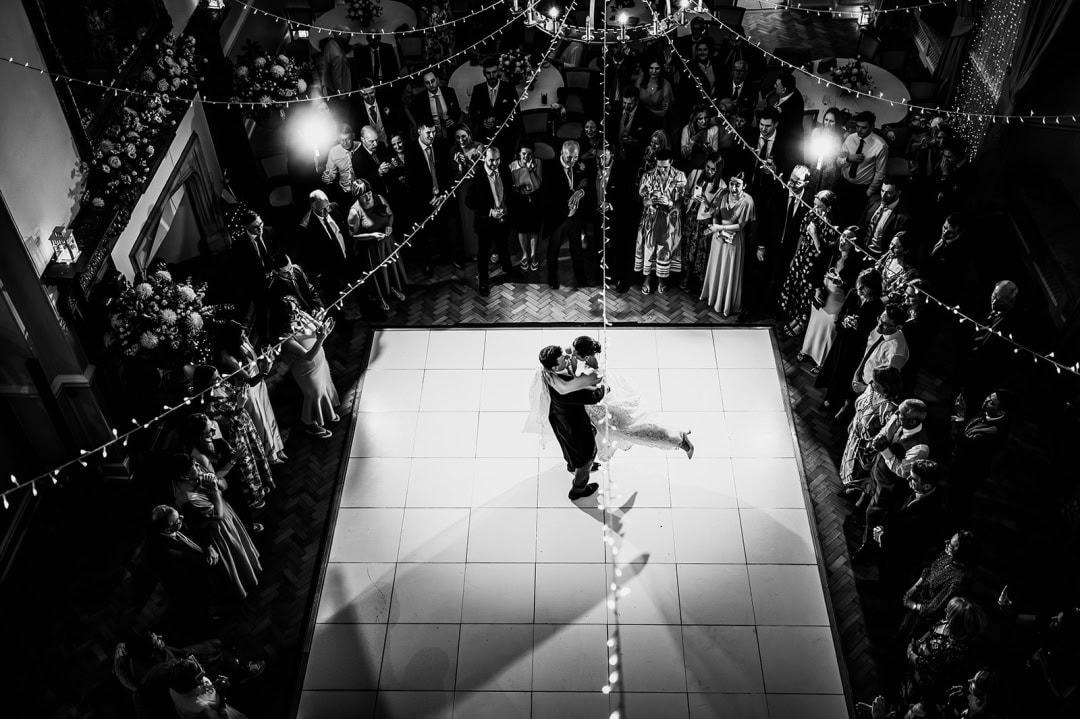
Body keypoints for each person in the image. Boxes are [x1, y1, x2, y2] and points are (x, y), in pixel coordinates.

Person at [566, 336, 694, 462]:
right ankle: (676, 435)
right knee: (621, 432)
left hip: (603, 405)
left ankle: (678, 439)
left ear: (586, 357)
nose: (574, 355)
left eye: (576, 354)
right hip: (602, 403)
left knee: (631, 431)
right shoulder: (591, 363)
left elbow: (591, 390)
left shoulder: (590, 373)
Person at [171, 452, 261, 600]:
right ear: (183, 477)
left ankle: (251, 569)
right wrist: (213, 489)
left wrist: (216, 483)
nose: (199, 469)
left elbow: (224, 485)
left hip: (227, 513)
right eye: (193, 469)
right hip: (219, 529)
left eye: (196, 465)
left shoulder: (196, 470)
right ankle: (244, 582)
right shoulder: (189, 497)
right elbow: (217, 516)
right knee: (235, 554)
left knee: (241, 547)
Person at [192, 366, 274, 512]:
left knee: (257, 457)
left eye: (218, 376)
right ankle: (254, 499)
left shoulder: (222, 385)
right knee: (247, 467)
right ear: (205, 383)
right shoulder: (208, 405)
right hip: (235, 437)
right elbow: (227, 428)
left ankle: (262, 485)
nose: (219, 380)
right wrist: (240, 406)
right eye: (214, 379)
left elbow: (236, 392)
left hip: (246, 427)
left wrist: (260, 374)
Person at [532, 344, 606, 501]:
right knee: (586, 455)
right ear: (554, 366)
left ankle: (572, 465)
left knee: (568, 447)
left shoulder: (550, 374)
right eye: (563, 358)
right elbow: (594, 397)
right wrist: (605, 388)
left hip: (560, 419)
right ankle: (578, 489)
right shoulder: (566, 391)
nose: (568, 356)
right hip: (575, 426)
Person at [213, 321, 285, 464]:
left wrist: (265, 354)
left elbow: (254, 358)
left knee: (267, 414)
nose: (245, 338)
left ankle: (277, 447)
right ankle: (269, 455)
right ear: (231, 339)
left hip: (260, 384)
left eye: (245, 334)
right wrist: (265, 371)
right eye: (242, 336)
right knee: (260, 420)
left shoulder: (241, 342)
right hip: (249, 390)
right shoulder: (227, 357)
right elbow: (249, 381)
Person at [862, 398, 930, 547]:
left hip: (888, 485)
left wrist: (885, 450)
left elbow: (903, 471)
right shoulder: (897, 417)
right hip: (877, 469)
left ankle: (867, 546)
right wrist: (876, 441)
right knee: (868, 492)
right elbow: (884, 433)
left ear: (913, 422)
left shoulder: (920, 447)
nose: (896, 413)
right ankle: (858, 515)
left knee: (874, 515)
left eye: (902, 414)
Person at [269, 295, 339, 439]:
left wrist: (324, 327)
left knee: (324, 388)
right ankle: (310, 424)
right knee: (313, 395)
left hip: (321, 363)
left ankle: (327, 413)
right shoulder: (285, 337)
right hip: (307, 371)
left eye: (297, 309)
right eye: (292, 313)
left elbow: (319, 327)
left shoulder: (302, 315)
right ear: (283, 316)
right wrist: (321, 339)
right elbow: (307, 356)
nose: (296, 314)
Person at [816, 268, 885, 411]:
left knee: (845, 372)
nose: (860, 288)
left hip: (857, 345)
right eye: (859, 283)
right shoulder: (853, 293)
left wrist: (858, 327)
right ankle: (830, 396)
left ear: (873, 288)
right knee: (835, 367)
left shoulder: (878, 306)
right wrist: (845, 320)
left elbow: (874, 332)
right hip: (843, 339)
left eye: (864, 286)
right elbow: (841, 314)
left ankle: (837, 401)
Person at [799, 225, 862, 369]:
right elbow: (815, 269)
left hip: (838, 300)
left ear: (855, 244)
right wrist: (817, 290)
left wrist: (842, 283)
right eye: (843, 236)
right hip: (822, 294)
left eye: (848, 239)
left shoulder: (856, 263)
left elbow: (855, 289)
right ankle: (807, 350)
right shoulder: (831, 251)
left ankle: (822, 362)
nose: (843, 241)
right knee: (814, 323)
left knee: (830, 329)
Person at [903, 597, 986, 704]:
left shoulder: (951, 647)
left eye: (948, 611)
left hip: (924, 680)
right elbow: (933, 630)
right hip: (915, 664)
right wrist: (919, 642)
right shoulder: (945, 622)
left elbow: (924, 664)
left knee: (910, 700)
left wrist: (910, 653)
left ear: (955, 621)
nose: (945, 611)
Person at [777, 189, 837, 337]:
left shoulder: (831, 226)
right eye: (814, 204)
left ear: (828, 208)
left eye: (819, 206)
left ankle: (802, 322)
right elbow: (802, 237)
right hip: (802, 256)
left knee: (806, 292)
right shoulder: (810, 214)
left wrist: (815, 234)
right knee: (796, 287)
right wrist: (795, 256)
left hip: (815, 262)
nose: (815, 209)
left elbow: (824, 251)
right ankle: (795, 318)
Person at [899, 532, 978, 644]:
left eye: (950, 544)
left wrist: (913, 605)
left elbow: (933, 609)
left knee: (907, 638)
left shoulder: (957, 581)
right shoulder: (947, 555)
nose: (946, 543)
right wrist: (915, 587)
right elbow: (930, 569)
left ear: (960, 553)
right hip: (918, 598)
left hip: (923, 615)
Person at [839, 367, 903, 499]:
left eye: (876, 382)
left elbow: (887, 435)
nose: (871, 383)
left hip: (867, 448)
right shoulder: (871, 389)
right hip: (854, 439)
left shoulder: (891, 409)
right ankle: (851, 489)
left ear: (885, 387)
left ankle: (861, 497)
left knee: (860, 474)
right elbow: (860, 410)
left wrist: (872, 447)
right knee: (848, 466)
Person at [466, 146, 522, 296]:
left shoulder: (503, 169)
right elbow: (469, 201)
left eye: (498, 160)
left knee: (503, 245)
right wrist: (490, 212)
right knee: (484, 252)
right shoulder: (478, 175)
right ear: (484, 157)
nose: (495, 163)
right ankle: (483, 280)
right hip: (486, 222)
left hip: (504, 218)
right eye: (491, 160)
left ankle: (507, 268)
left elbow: (509, 190)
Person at [949, 390, 1011, 522]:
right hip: (961, 463)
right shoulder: (986, 413)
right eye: (988, 398)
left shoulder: (993, 433)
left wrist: (960, 417)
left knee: (960, 500)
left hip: (969, 471)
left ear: (1001, 412)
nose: (986, 402)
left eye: (992, 403)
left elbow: (964, 443)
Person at [700, 171, 755, 316]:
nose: (734, 188)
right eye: (732, 184)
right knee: (717, 266)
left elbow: (741, 226)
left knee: (728, 269)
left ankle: (725, 302)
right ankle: (713, 296)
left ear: (745, 185)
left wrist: (720, 228)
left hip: (734, 239)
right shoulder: (723, 196)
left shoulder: (748, 201)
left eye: (738, 185)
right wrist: (716, 228)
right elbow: (716, 214)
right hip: (719, 238)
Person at [347, 179, 408, 309]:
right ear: (358, 197)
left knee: (390, 269)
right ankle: (380, 297)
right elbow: (352, 236)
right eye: (364, 196)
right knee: (377, 274)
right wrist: (371, 235)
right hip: (371, 249)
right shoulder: (354, 212)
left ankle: (393, 289)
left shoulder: (379, 198)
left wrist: (390, 226)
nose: (368, 197)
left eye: (369, 193)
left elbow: (390, 215)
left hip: (387, 244)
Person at [635, 148, 687, 295]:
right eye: (659, 167)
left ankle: (662, 280)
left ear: (671, 162)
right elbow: (643, 200)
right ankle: (647, 279)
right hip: (651, 219)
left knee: (664, 250)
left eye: (665, 167)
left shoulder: (680, 176)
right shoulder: (648, 175)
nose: (662, 170)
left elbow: (682, 201)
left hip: (670, 221)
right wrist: (650, 201)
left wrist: (669, 202)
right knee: (649, 249)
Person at [544, 140, 592, 290]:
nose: (572, 161)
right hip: (558, 217)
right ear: (562, 153)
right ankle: (552, 278)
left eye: (575, 157)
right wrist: (567, 206)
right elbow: (548, 198)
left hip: (576, 217)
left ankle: (580, 277)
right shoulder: (550, 168)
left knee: (576, 247)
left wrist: (581, 191)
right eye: (569, 157)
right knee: (554, 249)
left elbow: (586, 180)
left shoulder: (579, 164)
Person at [404, 120, 451, 275]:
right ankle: (428, 263)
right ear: (419, 130)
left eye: (434, 132)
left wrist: (443, 193)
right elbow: (412, 181)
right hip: (423, 200)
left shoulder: (440, 145)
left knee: (445, 229)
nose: (432, 136)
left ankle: (448, 257)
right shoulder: (411, 150)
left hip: (441, 196)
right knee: (424, 235)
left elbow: (446, 172)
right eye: (428, 133)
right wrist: (428, 199)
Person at [298, 189, 354, 316]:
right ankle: (341, 323)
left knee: (358, 284)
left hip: (345, 257)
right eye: (322, 208)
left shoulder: (334, 208)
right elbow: (308, 253)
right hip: (328, 267)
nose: (326, 211)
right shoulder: (305, 226)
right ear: (313, 206)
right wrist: (318, 272)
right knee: (333, 298)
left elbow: (343, 231)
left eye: (327, 206)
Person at [680, 152, 726, 293]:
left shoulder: (722, 186)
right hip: (691, 217)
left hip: (704, 221)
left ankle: (698, 281)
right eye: (708, 167)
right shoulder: (695, 173)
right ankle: (685, 277)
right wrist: (690, 198)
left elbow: (716, 210)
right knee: (688, 247)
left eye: (713, 169)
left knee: (700, 251)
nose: (709, 171)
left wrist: (705, 201)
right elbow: (684, 192)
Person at [836, 111, 889, 224]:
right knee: (837, 215)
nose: (859, 130)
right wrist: (849, 159)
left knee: (852, 221)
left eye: (863, 128)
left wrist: (869, 192)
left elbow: (880, 173)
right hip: (844, 183)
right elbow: (839, 162)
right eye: (857, 127)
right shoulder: (850, 138)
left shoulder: (881, 145)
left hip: (861, 190)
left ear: (872, 126)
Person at [167, 654, 248, 719]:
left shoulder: (175, 685)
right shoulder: (203, 711)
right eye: (198, 673)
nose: (201, 667)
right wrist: (222, 696)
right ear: (194, 682)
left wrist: (213, 685)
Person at [449, 123, 483, 263]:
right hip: (464, 188)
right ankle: (473, 251)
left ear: (469, 135)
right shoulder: (453, 151)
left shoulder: (478, 146)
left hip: (479, 186)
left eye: (463, 136)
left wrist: (468, 162)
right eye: (457, 137)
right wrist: (459, 165)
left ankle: (488, 249)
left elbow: (479, 170)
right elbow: (456, 175)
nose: (461, 140)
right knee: (468, 220)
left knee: (482, 217)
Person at [468, 56, 518, 148]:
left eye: (494, 72)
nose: (491, 76)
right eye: (488, 73)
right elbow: (471, 113)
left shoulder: (509, 89)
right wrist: (482, 121)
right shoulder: (478, 90)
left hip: (505, 138)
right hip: (484, 139)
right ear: (484, 74)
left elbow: (516, 115)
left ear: (498, 71)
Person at [509, 142, 544, 271]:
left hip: (534, 198)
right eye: (524, 154)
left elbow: (538, 184)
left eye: (529, 154)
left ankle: (533, 255)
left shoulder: (538, 163)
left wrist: (530, 171)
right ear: (519, 153)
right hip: (520, 200)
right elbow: (513, 186)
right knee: (522, 230)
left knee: (534, 229)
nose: (526, 157)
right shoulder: (512, 165)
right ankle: (525, 254)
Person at [860, 178, 911, 258]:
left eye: (889, 193)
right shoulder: (873, 200)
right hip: (861, 248)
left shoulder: (903, 218)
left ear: (898, 193)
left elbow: (896, 245)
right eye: (882, 191)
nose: (883, 196)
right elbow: (861, 223)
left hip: (878, 256)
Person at [320, 124, 363, 205]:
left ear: (353, 136)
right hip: (345, 192)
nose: (345, 143)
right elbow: (331, 174)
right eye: (341, 140)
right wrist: (328, 177)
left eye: (347, 139)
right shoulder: (333, 152)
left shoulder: (360, 146)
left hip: (362, 189)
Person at [410, 70, 461, 139]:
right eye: (427, 83)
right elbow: (419, 120)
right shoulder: (420, 99)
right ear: (424, 84)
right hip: (432, 137)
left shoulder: (449, 91)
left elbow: (457, 110)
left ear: (437, 79)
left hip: (451, 133)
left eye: (433, 81)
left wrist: (453, 120)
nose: (431, 85)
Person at [876, 231, 921, 304]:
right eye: (891, 243)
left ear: (906, 250)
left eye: (896, 247)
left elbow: (895, 296)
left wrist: (877, 302)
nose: (891, 248)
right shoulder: (888, 257)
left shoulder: (909, 272)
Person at [807, 107, 845, 192]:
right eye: (826, 120)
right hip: (815, 166)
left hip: (830, 171)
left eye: (831, 121)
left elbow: (839, 157)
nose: (827, 123)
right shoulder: (816, 132)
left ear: (837, 123)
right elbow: (810, 151)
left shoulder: (840, 137)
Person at [354, 78, 397, 144]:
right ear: (360, 94)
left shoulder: (385, 100)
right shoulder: (357, 110)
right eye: (365, 94)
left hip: (387, 141)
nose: (369, 97)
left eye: (371, 93)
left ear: (375, 90)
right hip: (371, 145)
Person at [771, 72, 805, 151]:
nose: (774, 86)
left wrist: (778, 114)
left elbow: (787, 126)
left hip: (788, 144)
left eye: (777, 85)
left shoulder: (794, 104)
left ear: (784, 89)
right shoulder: (790, 91)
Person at [636, 56, 675, 127]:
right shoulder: (640, 80)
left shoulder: (666, 84)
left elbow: (664, 111)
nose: (653, 71)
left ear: (661, 69)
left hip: (657, 121)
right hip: (640, 119)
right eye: (651, 68)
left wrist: (647, 111)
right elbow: (634, 102)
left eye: (657, 68)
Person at [679, 105, 720, 171]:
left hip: (706, 166)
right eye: (700, 119)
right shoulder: (687, 129)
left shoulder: (714, 129)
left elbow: (715, 154)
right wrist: (692, 141)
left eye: (706, 118)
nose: (704, 121)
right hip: (691, 164)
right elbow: (684, 155)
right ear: (695, 119)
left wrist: (710, 150)